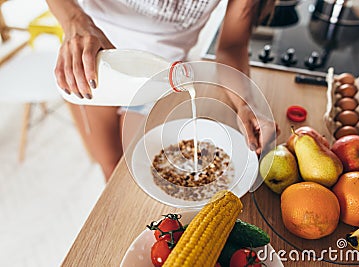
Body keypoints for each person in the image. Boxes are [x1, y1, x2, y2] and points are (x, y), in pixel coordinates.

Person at [46, 0, 279, 181]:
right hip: (92, 64)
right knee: (109, 167)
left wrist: (246, 104)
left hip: (163, 80)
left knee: (134, 178)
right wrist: (75, 21)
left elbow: (232, 46)